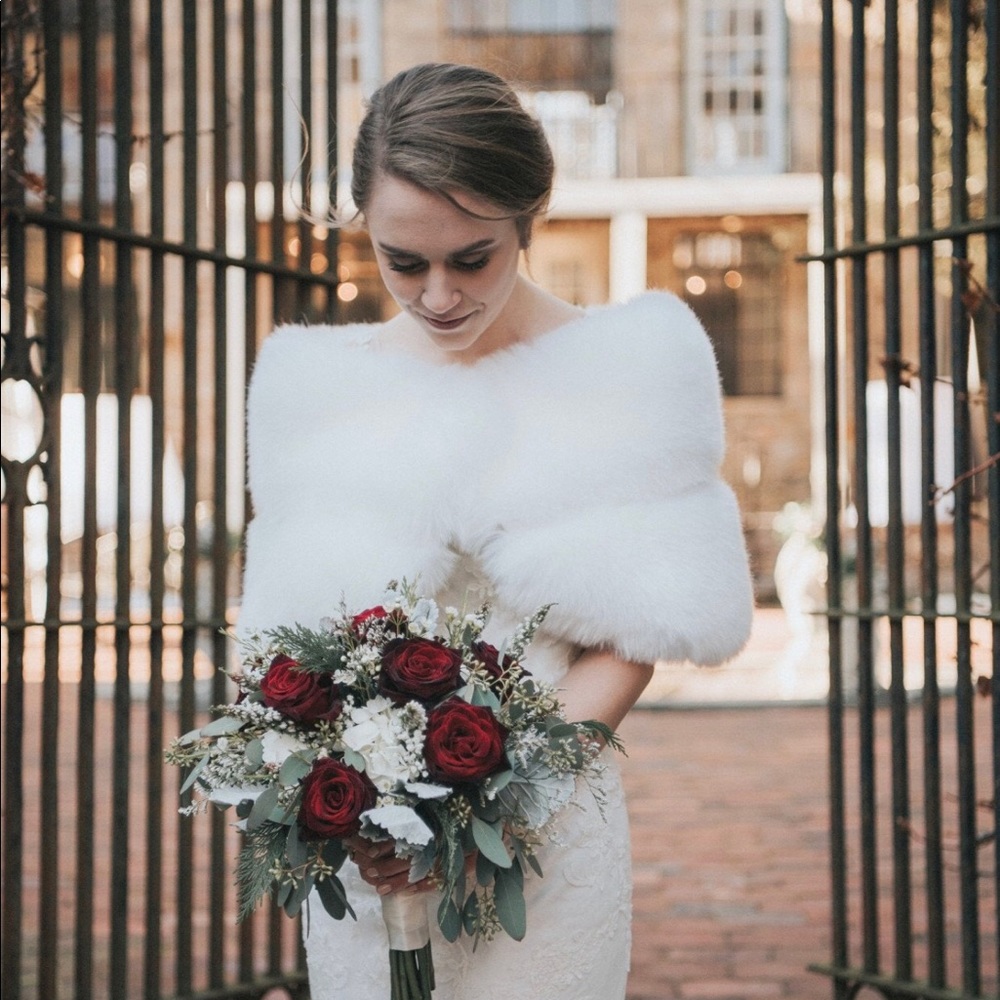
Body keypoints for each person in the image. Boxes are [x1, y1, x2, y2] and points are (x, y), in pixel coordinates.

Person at [237, 62, 753, 1000]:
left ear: (530, 218)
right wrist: (356, 810)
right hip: (370, 857)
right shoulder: (309, 393)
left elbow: (631, 642)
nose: (437, 294)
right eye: (404, 261)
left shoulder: (627, 370)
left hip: (549, 840)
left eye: (471, 257)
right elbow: (288, 663)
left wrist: (493, 803)